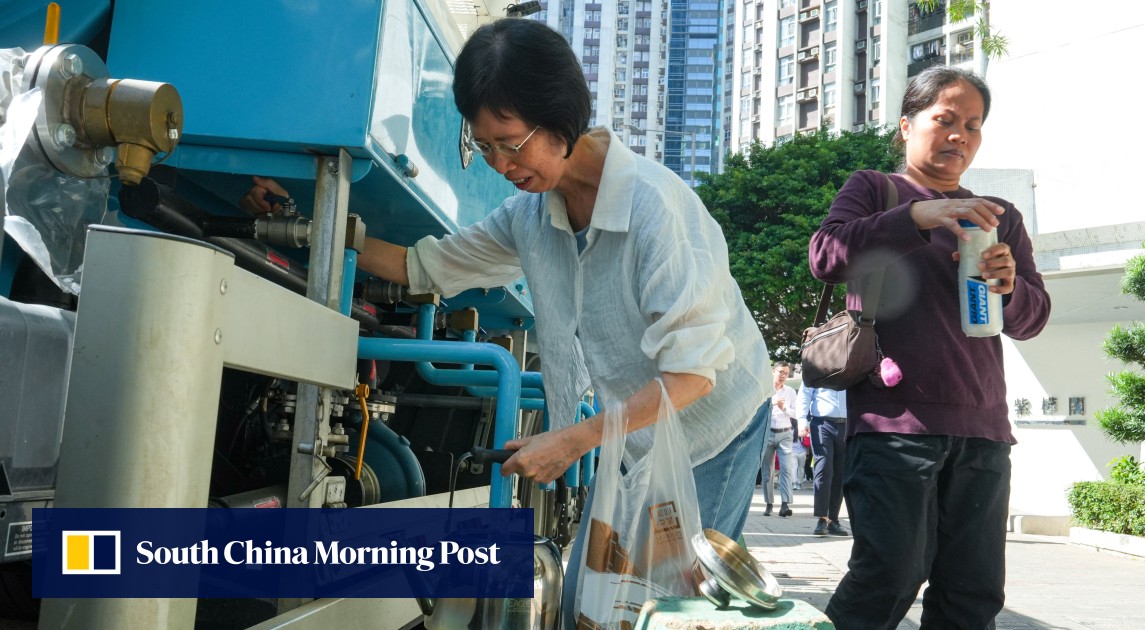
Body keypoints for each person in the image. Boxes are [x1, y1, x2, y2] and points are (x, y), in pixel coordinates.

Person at [244, 17, 773, 620]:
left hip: (712, 427)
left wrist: (572, 441)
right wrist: (308, 217)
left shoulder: (656, 208)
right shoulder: (531, 215)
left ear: (559, 120)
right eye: (484, 146)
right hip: (636, 432)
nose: (498, 163)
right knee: (593, 596)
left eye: (510, 142)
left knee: (671, 603)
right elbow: (426, 267)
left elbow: (693, 375)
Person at [808, 66, 1051, 628]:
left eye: (972, 124)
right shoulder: (875, 189)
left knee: (972, 592)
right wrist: (915, 217)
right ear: (906, 126)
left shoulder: (999, 216)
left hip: (984, 431)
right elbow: (825, 254)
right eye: (944, 119)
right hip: (894, 425)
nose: (958, 135)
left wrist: (1009, 288)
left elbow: (1032, 320)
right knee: (888, 576)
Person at [800, 386, 849, 536]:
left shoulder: (851, 366)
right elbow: (804, 394)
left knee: (840, 472)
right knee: (824, 468)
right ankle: (822, 518)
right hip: (822, 423)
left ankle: (833, 519)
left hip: (847, 424)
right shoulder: (818, 365)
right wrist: (802, 421)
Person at [761, 362, 798, 517]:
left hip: (785, 432)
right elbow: (758, 410)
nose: (783, 376)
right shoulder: (765, 390)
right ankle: (769, 504)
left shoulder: (790, 391)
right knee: (767, 472)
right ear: (773, 371)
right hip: (768, 432)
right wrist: (771, 403)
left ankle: (785, 504)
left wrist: (784, 408)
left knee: (787, 469)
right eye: (781, 372)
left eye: (787, 373)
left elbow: (796, 413)